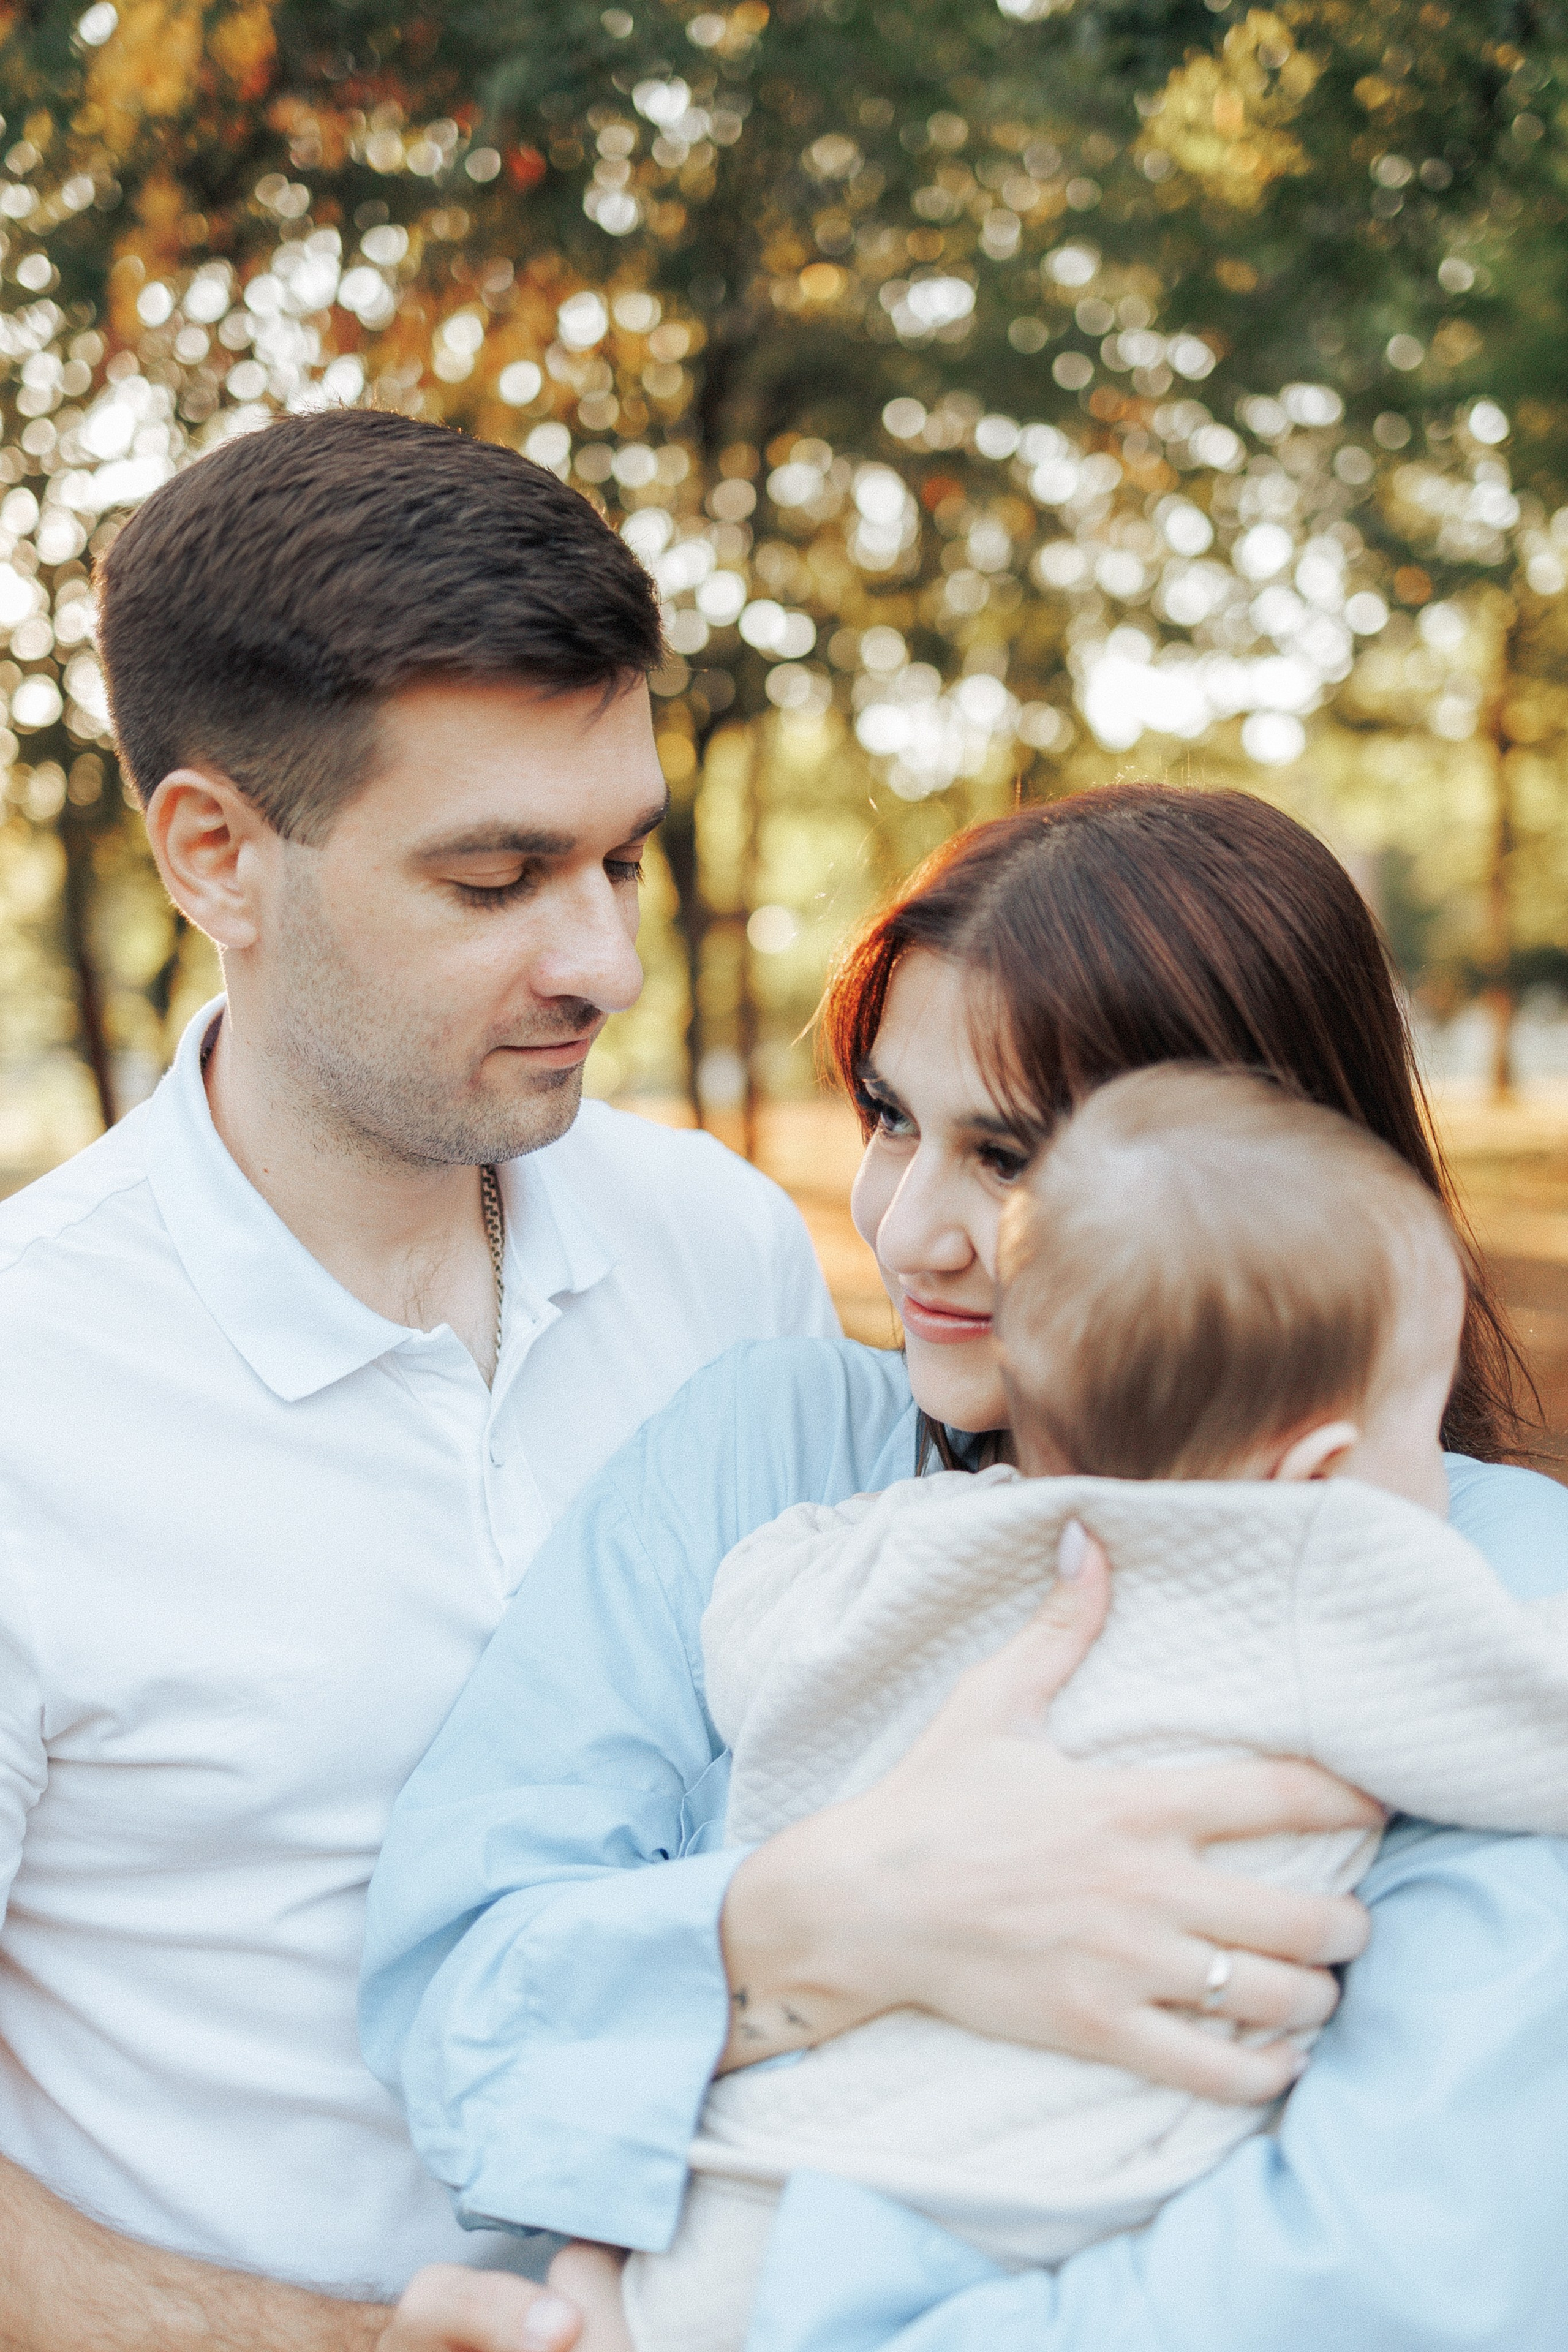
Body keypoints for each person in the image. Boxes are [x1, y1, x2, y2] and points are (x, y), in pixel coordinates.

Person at [362, 785, 1568, 2351]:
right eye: (887, 1117)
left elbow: (1403, 2270)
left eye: (1008, 1158)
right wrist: (834, 1916)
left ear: (1258, 1180)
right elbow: (457, 2019)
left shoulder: (1472, 1576)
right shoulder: (765, 1457)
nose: (910, 1229)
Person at [0, 407, 842, 2352]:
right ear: (216, 854)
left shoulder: (727, 1255)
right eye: (497, 878)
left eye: (622, 860)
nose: (606, 962)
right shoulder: (27, 1391)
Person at [618, 1065, 1568, 2352]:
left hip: (741, 2179)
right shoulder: (1317, 1576)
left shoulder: (918, 1544)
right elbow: (1538, 1723)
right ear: (1317, 1473)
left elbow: (747, 1634)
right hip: (1030, 2190)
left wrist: (851, 1536)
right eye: (1418, 1432)